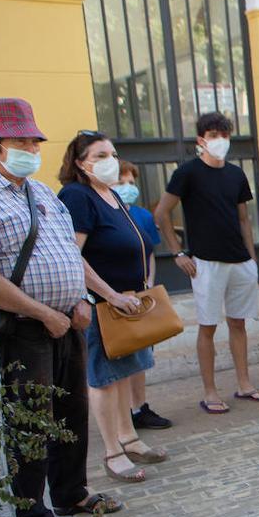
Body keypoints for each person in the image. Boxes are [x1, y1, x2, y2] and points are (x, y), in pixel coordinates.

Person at [0, 98, 121, 517]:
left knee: (71, 412)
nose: (32, 149)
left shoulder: (40, 193)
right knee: (31, 422)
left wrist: (82, 297)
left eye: (35, 141)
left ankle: (72, 494)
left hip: (66, 321)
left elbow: (68, 254)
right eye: (22, 142)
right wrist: (44, 313)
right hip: (24, 327)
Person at [57, 131, 169, 482]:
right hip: (103, 305)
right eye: (101, 154)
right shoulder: (77, 196)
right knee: (104, 378)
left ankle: (129, 437)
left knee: (123, 373)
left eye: (113, 153)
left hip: (127, 302)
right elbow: (72, 254)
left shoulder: (110, 194)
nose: (111, 160)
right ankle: (112, 451)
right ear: (80, 162)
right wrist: (111, 294)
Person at [155, 112, 259, 414]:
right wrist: (178, 253)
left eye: (225, 135)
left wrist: (252, 258)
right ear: (201, 140)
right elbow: (162, 213)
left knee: (238, 323)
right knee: (207, 327)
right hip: (205, 262)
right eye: (214, 135)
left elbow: (243, 217)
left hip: (239, 260)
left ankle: (244, 384)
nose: (220, 141)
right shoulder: (187, 173)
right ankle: (210, 392)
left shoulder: (235, 174)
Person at [115, 160, 172, 430]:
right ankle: (121, 413)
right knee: (119, 357)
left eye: (131, 183)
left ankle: (139, 408)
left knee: (141, 356)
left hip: (141, 295)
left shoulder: (142, 216)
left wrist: (148, 284)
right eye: (121, 182)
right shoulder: (103, 216)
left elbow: (149, 253)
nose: (128, 188)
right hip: (113, 298)